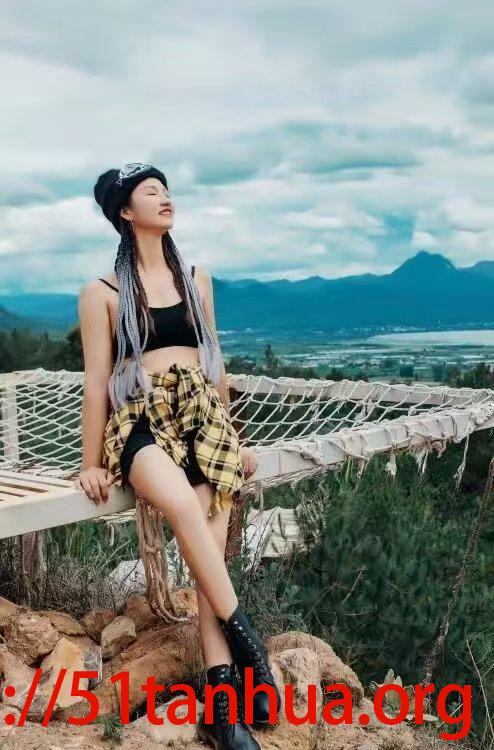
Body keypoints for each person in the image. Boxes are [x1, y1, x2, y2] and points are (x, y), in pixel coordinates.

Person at [73, 163, 281, 749]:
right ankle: (250, 649)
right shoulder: (103, 293)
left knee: (208, 547)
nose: (165, 198)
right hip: (141, 421)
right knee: (187, 512)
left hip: (203, 420)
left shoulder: (195, 279)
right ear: (124, 211)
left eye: (167, 190)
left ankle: (222, 707)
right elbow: (95, 382)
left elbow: (215, 365)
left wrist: (233, 439)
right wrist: (91, 461)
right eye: (151, 192)